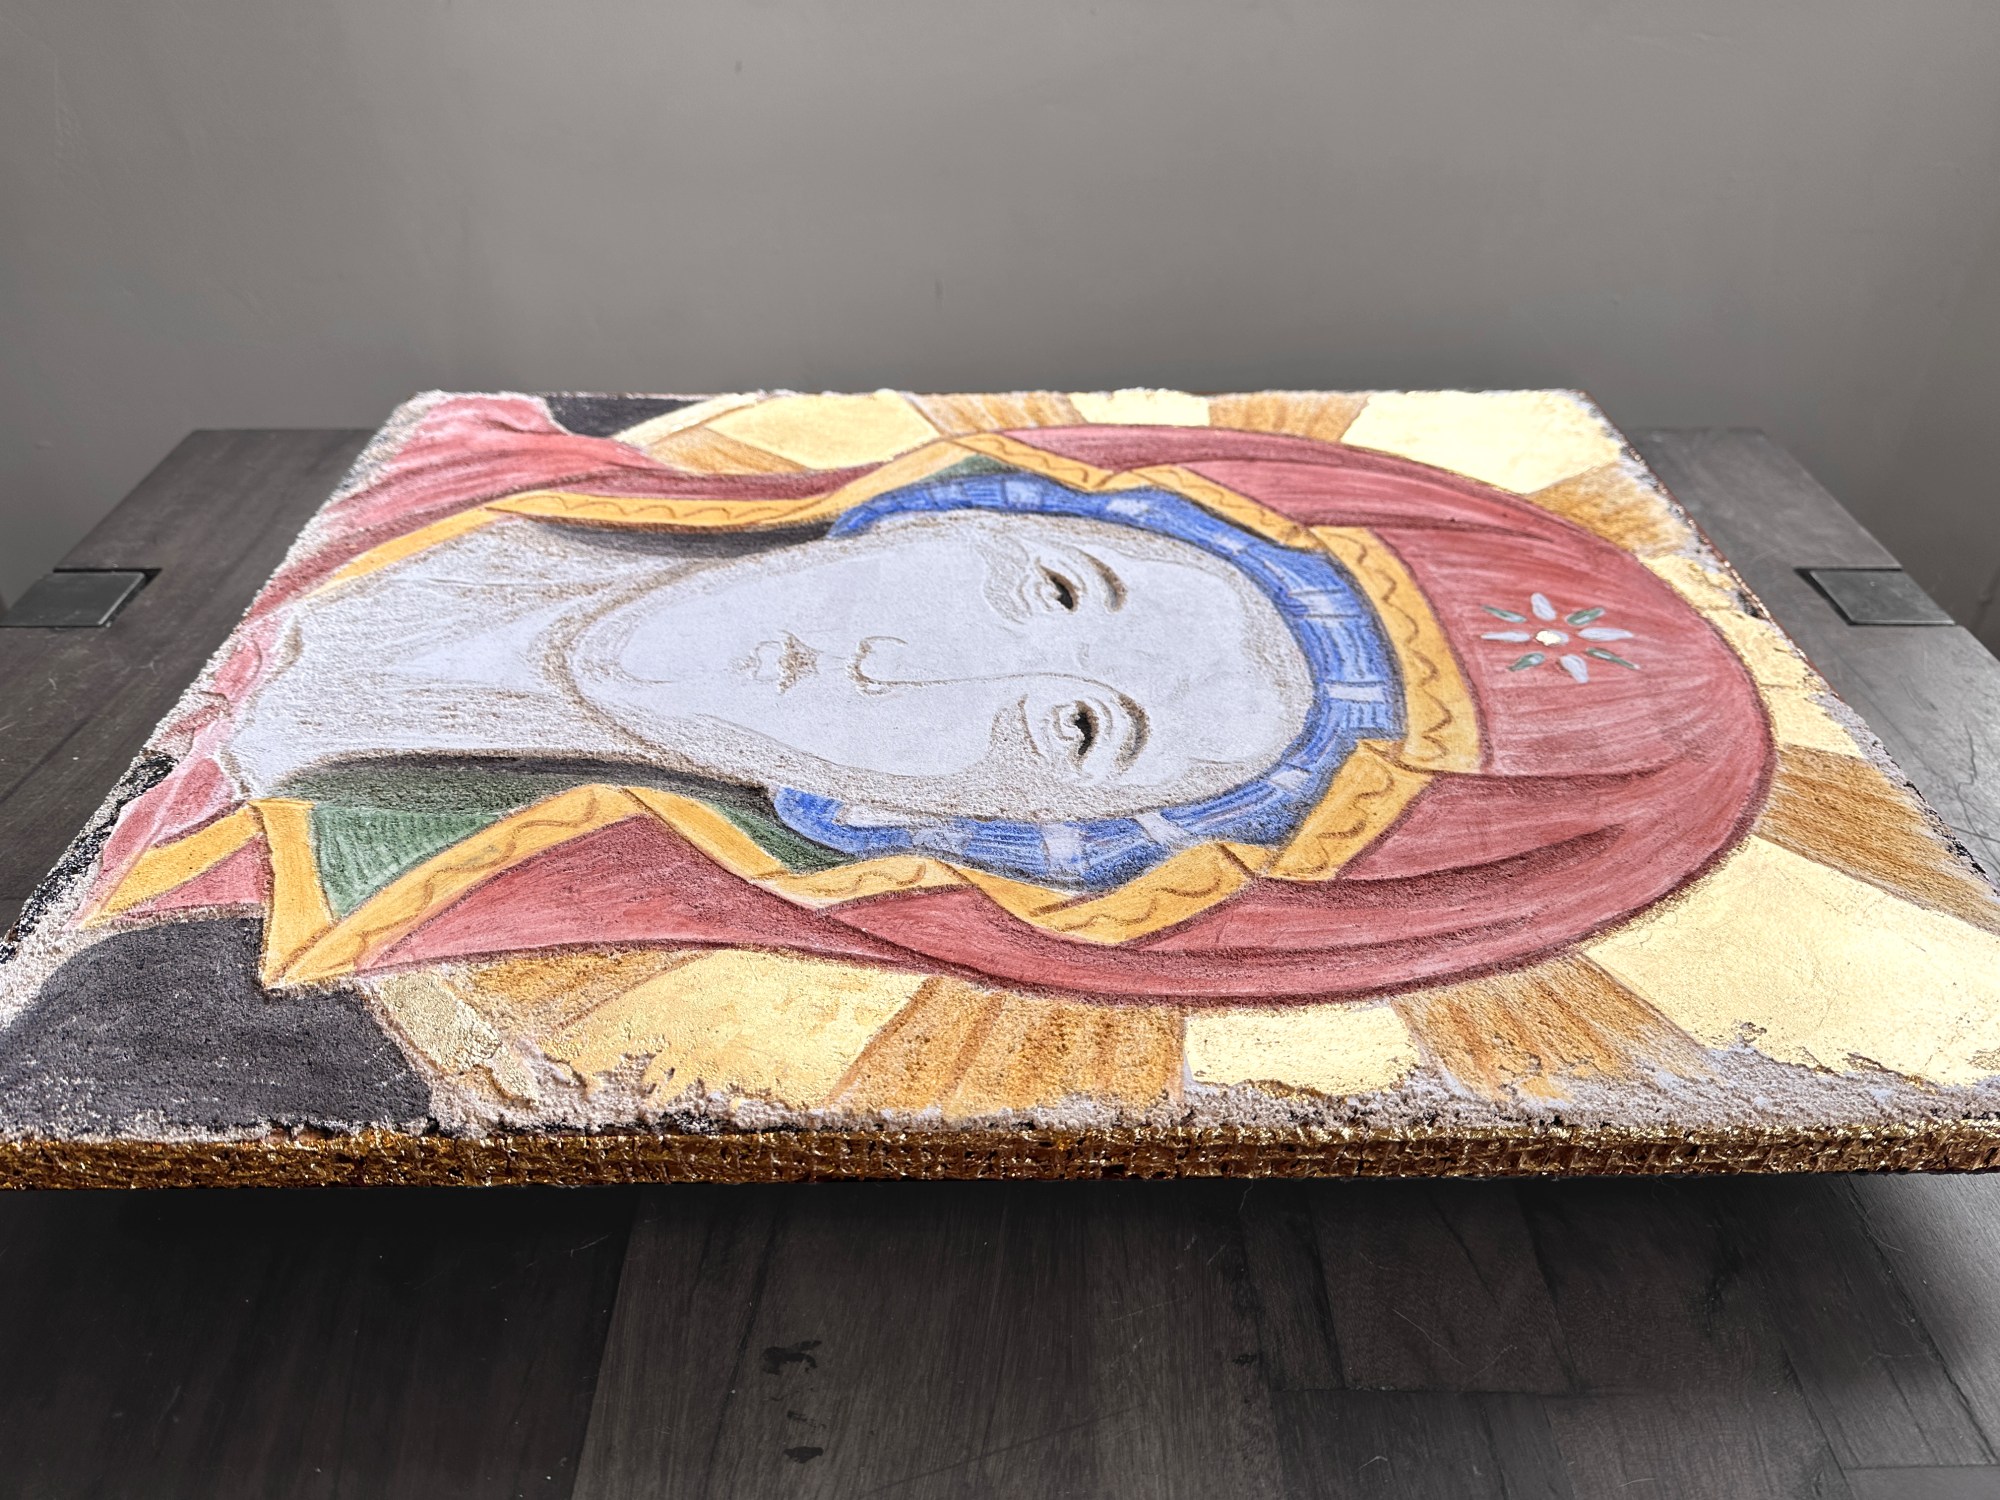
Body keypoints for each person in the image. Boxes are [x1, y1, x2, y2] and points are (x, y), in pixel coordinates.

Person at [80, 393, 1774, 1004]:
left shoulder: (205, 935)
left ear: (915, 837)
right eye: (1058, 590)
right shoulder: (444, 452)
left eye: (1076, 733)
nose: (913, 662)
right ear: (949, 501)